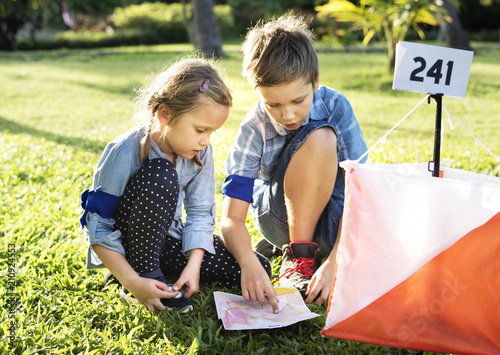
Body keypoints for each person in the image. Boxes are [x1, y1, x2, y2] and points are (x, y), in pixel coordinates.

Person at [80, 57, 272, 313]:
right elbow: (98, 226)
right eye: (201, 130)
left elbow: (200, 212)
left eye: (212, 133)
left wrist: (193, 265)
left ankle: (163, 271)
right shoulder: (124, 150)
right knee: (161, 174)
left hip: (166, 238)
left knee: (257, 267)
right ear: (165, 114)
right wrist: (132, 281)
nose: (206, 141)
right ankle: (139, 279)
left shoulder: (200, 151)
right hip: (126, 245)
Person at [220, 15, 367, 312]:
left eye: (298, 100)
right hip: (278, 219)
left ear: (315, 81)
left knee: (323, 134)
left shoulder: (336, 106)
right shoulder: (254, 128)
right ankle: (298, 257)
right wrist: (248, 262)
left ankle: (321, 251)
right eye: (273, 104)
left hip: (336, 220)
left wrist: (339, 256)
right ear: (257, 92)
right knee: (321, 137)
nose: (287, 115)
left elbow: (363, 192)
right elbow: (232, 218)